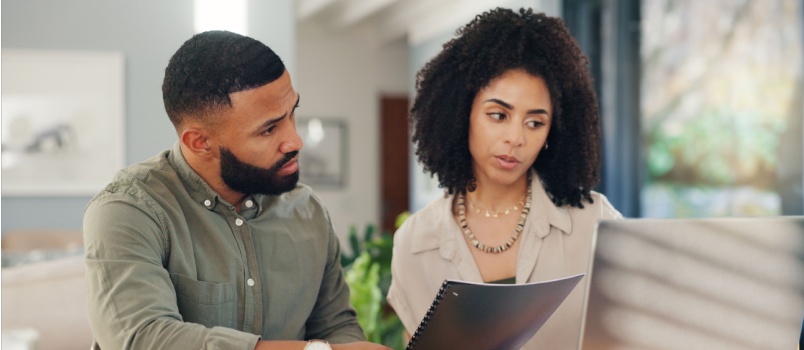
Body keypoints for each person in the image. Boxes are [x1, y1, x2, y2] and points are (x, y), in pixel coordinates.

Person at [83, 30, 390, 350]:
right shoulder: (128, 210)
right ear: (199, 143)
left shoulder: (307, 210)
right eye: (269, 129)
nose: (295, 141)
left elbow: (336, 325)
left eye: (292, 113)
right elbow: (142, 338)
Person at [387, 8, 622, 350]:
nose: (516, 138)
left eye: (535, 123)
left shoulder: (595, 222)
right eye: (498, 115)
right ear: (461, 112)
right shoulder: (415, 243)